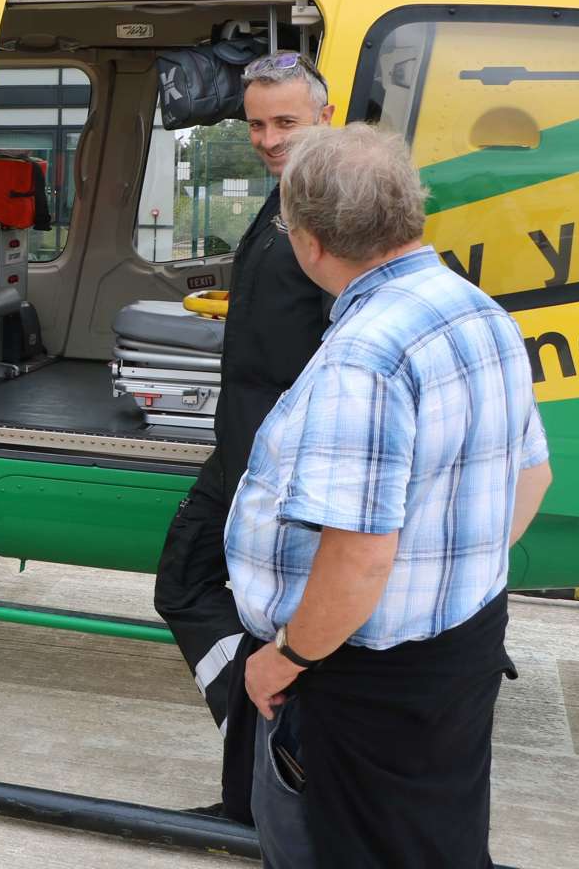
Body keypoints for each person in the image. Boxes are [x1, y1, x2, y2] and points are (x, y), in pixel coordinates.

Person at [226, 124, 552, 867]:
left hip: (361, 681)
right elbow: (532, 473)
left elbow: (361, 553)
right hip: (460, 647)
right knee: (438, 844)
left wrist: (287, 656)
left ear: (309, 241)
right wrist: (443, 573)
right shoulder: (478, 311)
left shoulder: (364, 357)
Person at [151, 51, 334, 817]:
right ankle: (259, 760)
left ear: (324, 118)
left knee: (237, 605)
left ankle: (269, 780)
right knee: (185, 587)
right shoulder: (284, 197)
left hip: (281, 462)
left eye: (284, 121)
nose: (266, 138)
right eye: (256, 123)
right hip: (241, 446)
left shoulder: (332, 211)